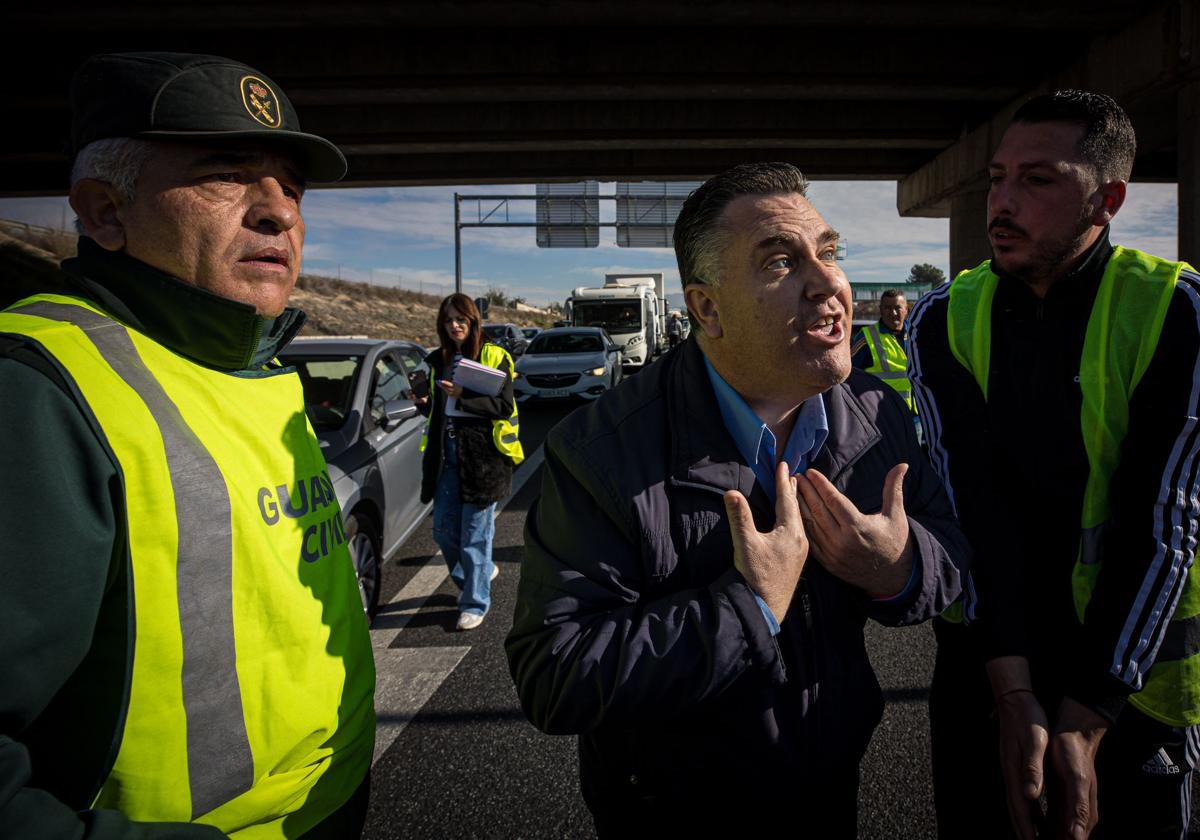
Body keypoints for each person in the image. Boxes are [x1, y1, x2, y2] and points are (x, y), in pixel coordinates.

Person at [505, 162, 969, 836]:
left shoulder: (874, 411)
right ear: (707, 308)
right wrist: (747, 608)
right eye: (782, 262)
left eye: (829, 252)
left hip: (832, 791)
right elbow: (556, 674)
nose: (828, 283)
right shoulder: (601, 452)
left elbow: (950, 548)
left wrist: (899, 569)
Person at [0, 53, 375, 838]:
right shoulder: (37, 393)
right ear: (104, 213)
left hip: (332, 805)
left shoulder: (253, 363)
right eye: (225, 175)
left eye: (291, 187)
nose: (280, 212)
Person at [909, 89, 1200, 839]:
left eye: (1036, 181)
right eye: (998, 177)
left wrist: (1086, 718)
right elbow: (970, 502)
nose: (1001, 202)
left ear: (1106, 200)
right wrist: (1012, 694)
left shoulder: (1177, 310)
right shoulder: (943, 317)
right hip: (986, 668)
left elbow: (1159, 521)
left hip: (1127, 686)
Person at [417, 294, 524, 631]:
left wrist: (465, 397)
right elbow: (437, 412)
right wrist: (423, 401)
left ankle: (476, 601)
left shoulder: (495, 355)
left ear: (473, 321)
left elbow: (503, 407)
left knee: (475, 537)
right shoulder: (437, 360)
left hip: (483, 460)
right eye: (448, 320)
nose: (454, 326)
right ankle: (475, 576)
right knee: (443, 532)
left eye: (460, 320)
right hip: (446, 458)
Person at [851, 289, 914, 412]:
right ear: (880, 310)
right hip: (882, 414)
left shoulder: (917, 335)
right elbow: (851, 376)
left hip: (915, 414)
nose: (893, 312)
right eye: (887, 308)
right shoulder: (866, 338)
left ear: (906, 309)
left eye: (898, 307)